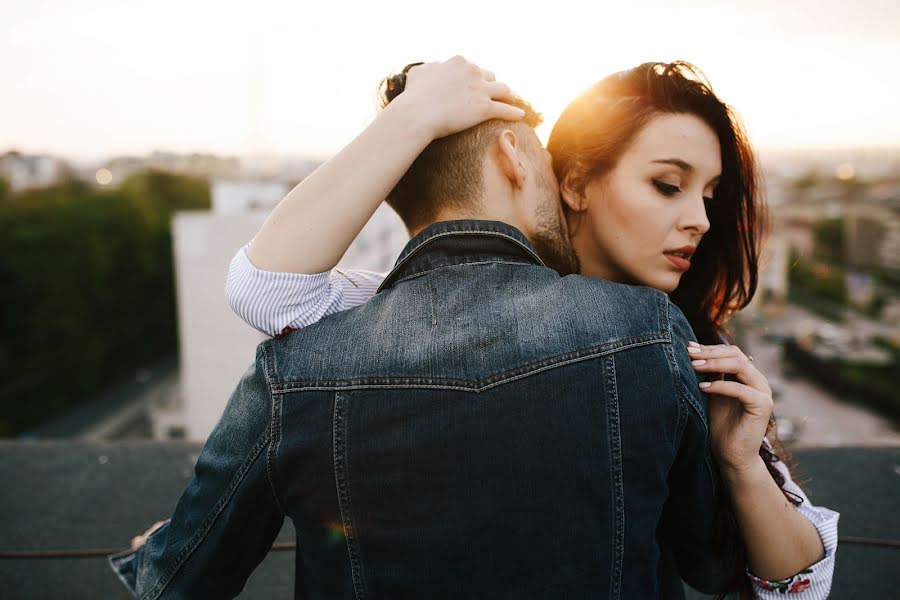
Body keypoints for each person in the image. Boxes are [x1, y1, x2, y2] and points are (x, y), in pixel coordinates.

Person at [224, 57, 839, 598]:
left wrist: (740, 462)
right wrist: (414, 118)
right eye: (668, 185)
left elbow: (799, 589)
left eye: (708, 196)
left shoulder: (691, 343)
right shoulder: (445, 307)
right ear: (574, 182)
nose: (699, 220)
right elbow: (268, 289)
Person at [112, 57, 724, 599]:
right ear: (513, 156)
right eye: (542, 159)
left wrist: (157, 556)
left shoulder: (298, 370)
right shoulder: (647, 332)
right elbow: (714, 564)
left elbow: (178, 582)